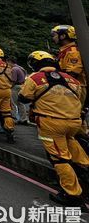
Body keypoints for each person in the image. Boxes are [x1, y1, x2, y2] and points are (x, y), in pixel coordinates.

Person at [18, 51, 89, 209]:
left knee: (59, 159)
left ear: (36, 64)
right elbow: (80, 98)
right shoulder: (71, 80)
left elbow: (23, 97)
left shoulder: (35, 78)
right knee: (74, 147)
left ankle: (73, 195)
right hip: (74, 123)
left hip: (51, 123)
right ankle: (84, 170)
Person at [52, 25, 87, 115]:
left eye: (54, 35)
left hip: (75, 87)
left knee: (73, 115)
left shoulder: (72, 52)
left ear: (63, 36)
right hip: (68, 86)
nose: (53, 38)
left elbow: (72, 73)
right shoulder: (65, 51)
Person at [7, 56, 29, 125]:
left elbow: (13, 80)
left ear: (10, 62)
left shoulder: (14, 69)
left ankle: (14, 118)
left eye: (7, 62)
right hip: (21, 85)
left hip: (15, 87)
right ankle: (23, 119)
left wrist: (9, 87)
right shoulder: (20, 67)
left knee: (13, 103)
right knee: (20, 103)